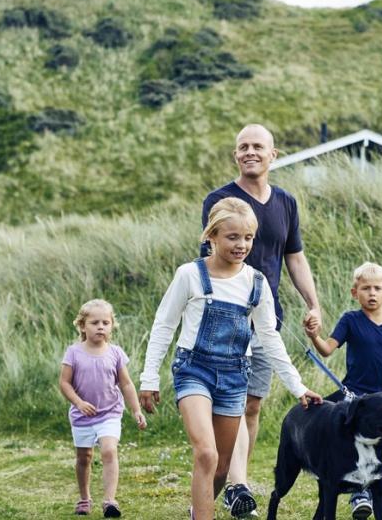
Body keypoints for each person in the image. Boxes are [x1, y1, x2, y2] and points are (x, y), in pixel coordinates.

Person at [138, 197, 323, 520]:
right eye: (232, 237)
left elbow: (269, 337)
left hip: (235, 375)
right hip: (194, 370)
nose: (242, 245)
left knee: (222, 467)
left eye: (248, 237)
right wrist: (149, 377)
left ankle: (200, 510)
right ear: (211, 236)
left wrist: (298, 387)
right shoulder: (189, 275)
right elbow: (163, 325)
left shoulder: (256, 283)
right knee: (206, 454)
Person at [199, 124, 323, 518]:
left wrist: (313, 302)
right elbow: (207, 256)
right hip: (226, 322)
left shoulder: (285, 202)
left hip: (267, 320)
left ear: (274, 155)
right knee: (230, 407)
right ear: (236, 154)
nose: (249, 152)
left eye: (258, 146)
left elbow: (295, 257)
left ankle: (239, 484)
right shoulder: (219, 199)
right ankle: (234, 484)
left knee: (252, 406)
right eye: (242, 147)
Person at [305, 262, 382, 520]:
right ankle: (336, 495)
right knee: (341, 444)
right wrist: (313, 336)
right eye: (365, 288)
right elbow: (327, 349)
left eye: (377, 288)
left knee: (379, 450)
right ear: (354, 292)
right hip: (355, 399)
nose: (372, 293)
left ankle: (364, 492)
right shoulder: (350, 320)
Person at [59, 299, 147, 518]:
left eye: (105, 322)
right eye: (94, 322)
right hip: (81, 416)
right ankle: (84, 497)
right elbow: (64, 383)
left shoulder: (115, 353)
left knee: (109, 450)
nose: (100, 327)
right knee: (84, 457)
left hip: (110, 413)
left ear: (111, 326)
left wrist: (136, 409)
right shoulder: (73, 353)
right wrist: (78, 402)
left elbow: (126, 384)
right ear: (82, 326)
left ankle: (109, 501)